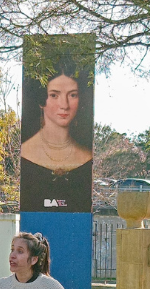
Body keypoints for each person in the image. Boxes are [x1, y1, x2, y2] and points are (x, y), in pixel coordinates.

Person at [19, 59, 94, 212]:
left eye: (72, 95)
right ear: (42, 100)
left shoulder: (85, 156)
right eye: (54, 95)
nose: (64, 105)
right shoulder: (27, 153)